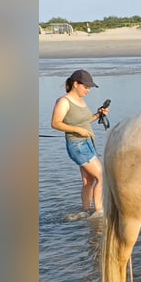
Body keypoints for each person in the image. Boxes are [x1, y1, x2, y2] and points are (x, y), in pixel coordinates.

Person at [51, 69, 109, 218]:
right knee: (102, 176)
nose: (88, 90)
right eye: (86, 86)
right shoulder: (64, 101)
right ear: (75, 84)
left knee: (88, 180)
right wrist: (77, 130)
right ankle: (99, 213)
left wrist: (98, 115)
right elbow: (55, 123)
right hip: (78, 146)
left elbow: (83, 121)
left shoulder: (81, 100)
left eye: (90, 87)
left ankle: (85, 212)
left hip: (87, 143)